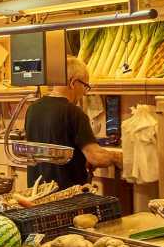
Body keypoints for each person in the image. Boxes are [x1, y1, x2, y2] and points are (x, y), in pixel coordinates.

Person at [25, 56, 123, 188]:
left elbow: (54, 145)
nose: (84, 92)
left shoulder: (33, 108)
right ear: (73, 82)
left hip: (36, 194)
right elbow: (96, 157)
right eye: (85, 86)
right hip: (66, 197)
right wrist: (117, 157)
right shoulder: (74, 113)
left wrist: (81, 158)